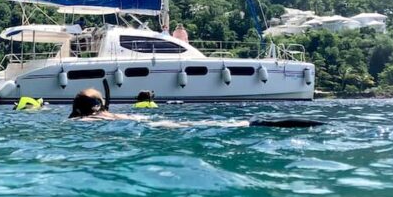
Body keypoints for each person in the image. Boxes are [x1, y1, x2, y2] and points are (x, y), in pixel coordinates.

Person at [68, 83, 324, 128]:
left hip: (144, 124)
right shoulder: (106, 118)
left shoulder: (81, 122)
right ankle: (254, 123)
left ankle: (253, 124)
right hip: (149, 124)